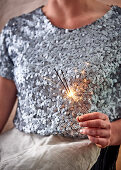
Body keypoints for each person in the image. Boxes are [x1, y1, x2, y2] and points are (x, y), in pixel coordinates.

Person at [0, 0, 121, 169]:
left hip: (87, 154)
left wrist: (112, 132)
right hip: (18, 149)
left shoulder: (117, 26)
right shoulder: (15, 30)